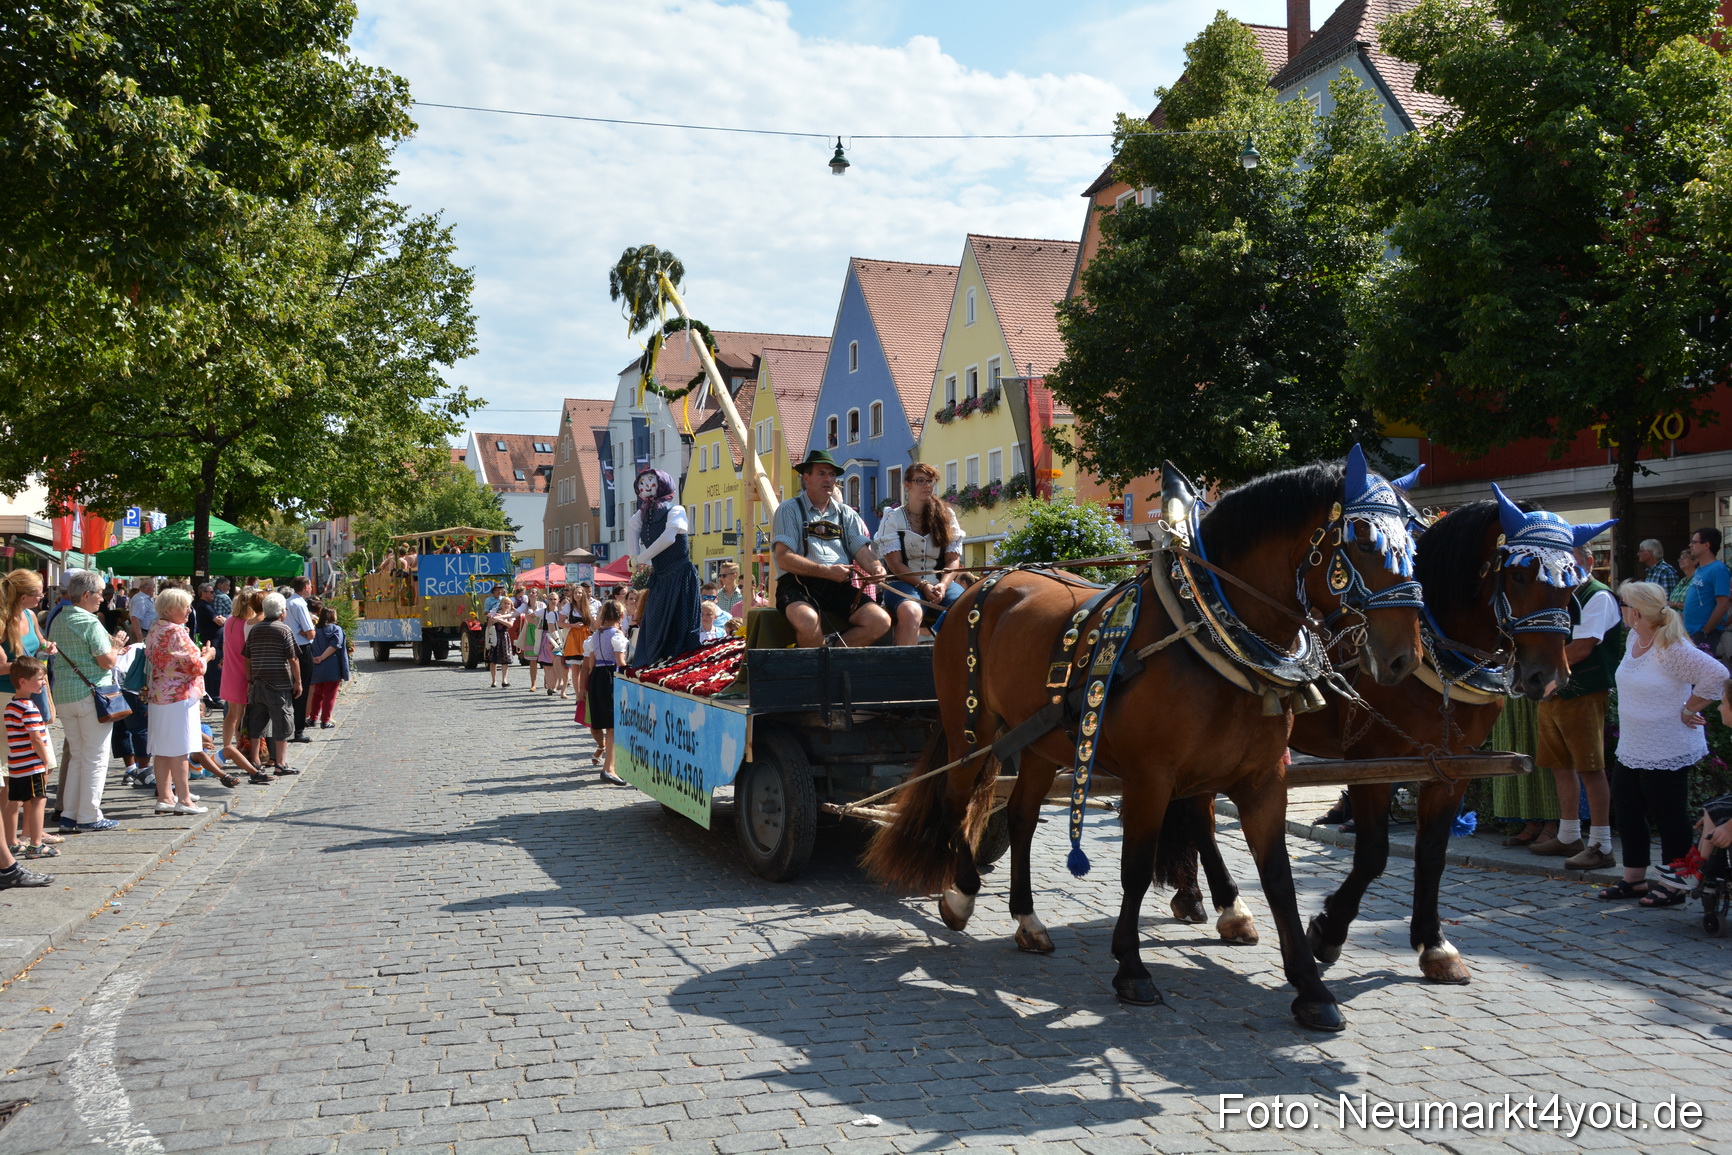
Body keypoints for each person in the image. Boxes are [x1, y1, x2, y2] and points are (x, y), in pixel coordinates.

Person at [1596, 581, 1729, 906]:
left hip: (1667, 744)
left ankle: (1675, 884)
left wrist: (1690, 707)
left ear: (1637, 611)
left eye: (1623, 604)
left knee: (1669, 813)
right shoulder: (1633, 637)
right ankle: (1634, 879)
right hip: (1633, 743)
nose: (1620, 609)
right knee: (1628, 808)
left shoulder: (1671, 648)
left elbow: (1717, 674)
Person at [1531, 542, 1620, 869]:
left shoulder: (1598, 594)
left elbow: (1583, 647)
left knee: (1590, 767)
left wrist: (1541, 672)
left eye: (1570, 561)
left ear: (1590, 561)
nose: (1563, 567)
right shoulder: (1562, 593)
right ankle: (1569, 834)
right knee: (1560, 764)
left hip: (1583, 691)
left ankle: (1602, 845)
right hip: (1555, 689)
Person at [771, 449, 890, 648]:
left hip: (839, 586)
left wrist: (876, 568)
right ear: (806, 478)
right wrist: (826, 571)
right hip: (797, 585)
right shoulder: (788, 509)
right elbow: (784, 558)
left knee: (880, 621)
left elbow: (861, 550)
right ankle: (816, 671)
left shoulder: (847, 514)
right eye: (821, 473)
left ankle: (831, 656)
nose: (828, 479)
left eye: (832, 474)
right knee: (808, 622)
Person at [47, 570, 128, 834]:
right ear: (85, 595)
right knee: (94, 758)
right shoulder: (89, 621)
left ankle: (70, 814)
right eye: (100, 594)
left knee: (79, 756)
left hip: (65, 693)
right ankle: (89, 814)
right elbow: (106, 661)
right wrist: (115, 648)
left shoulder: (58, 618)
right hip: (91, 694)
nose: (103, 600)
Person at [875, 461, 966, 646]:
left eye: (930, 481)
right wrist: (923, 585)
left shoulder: (946, 515)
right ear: (907, 485)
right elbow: (896, 565)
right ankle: (904, 669)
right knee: (911, 612)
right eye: (921, 481)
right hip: (901, 583)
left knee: (966, 607)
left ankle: (955, 666)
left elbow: (952, 559)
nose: (927, 485)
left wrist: (943, 584)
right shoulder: (892, 518)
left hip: (941, 584)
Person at [143, 587, 214, 815]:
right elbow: (196, 666)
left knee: (162, 749)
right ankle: (184, 799)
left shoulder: (156, 627)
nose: (189, 610)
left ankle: (165, 796)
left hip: (159, 695)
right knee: (180, 749)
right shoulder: (176, 631)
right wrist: (207, 656)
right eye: (185, 606)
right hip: (178, 695)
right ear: (171, 608)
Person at [626, 467, 701, 667]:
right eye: (642, 484)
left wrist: (640, 558)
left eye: (651, 482)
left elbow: (668, 538)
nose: (646, 487)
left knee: (680, 623)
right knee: (654, 621)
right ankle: (652, 662)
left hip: (679, 574)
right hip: (660, 577)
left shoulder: (676, 510)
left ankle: (680, 662)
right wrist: (632, 556)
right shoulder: (642, 515)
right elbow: (632, 528)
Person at [242, 593, 301, 775]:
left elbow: (246, 656)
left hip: (258, 683)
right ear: (281, 611)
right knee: (282, 722)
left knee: (257, 724)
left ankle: (255, 761)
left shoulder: (255, 629)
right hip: (278, 684)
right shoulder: (283, 630)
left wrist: (250, 679)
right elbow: (293, 658)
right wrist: (298, 681)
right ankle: (281, 764)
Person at [3, 657, 55, 860]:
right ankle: (35, 844)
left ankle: (12, 842)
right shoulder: (30, 708)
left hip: (16, 764)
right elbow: (36, 739)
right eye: (40, 678)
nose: (43, 682)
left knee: (16, 801)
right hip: (32, 765)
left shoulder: (11, 706)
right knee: (38, 802)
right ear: (24, 681)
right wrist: (45, 761)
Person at [219, 591, 269, 784]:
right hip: (240, 672)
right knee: (238, 715)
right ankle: (230, 749)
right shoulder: (246, 624)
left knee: (232, 714)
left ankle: (233, 746)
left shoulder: (230, 621)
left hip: (230, 671)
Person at [579, 599, 630, 784]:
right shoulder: (617, 635)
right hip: (610, 675)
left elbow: (590, 663)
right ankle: (609, 768)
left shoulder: (595, 636)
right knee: (613, 725)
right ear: (621, 616)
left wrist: (582, 688)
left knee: (607, 723)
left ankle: (611, 766)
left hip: (597, 676)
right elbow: (620, 661)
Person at [284, 576, 316, 743]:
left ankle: (289, 727)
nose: (311, 588)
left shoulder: (287, 602)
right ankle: (298, 729)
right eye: (310, 585)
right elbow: (310, 632)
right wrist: (306, 631)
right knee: (301, 689)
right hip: (302, 649)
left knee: (290, 689)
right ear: (305, 587)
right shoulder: (300, 604)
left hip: (288, 648)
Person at [307, 606, 349, 728]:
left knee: (318, 694)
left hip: (317, 667)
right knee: (330, 695)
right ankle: (325, 720)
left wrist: (314, 657)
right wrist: (322, 657)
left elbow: (308, 644)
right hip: (331, 667)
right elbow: (335, 645)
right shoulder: (336, 629)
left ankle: (313, 718)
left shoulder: (316, 630)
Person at [191, 581, 225, 705]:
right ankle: (214, 698)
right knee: (214, 672)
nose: (213, 594)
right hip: (213, 643)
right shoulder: (205, 605)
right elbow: (219, 621)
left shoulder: (208, 605)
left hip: (215, 642)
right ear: (203, 593)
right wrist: (224, 620)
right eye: (211, 592)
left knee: (214, 671)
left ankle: (213, 696)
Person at [560, 592, 593, 701]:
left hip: (586, 636)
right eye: (575, 593)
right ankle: (578, 695)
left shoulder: (588, 607)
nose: (577, 595)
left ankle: (585, 693)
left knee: (587, 667)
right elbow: (560, 623)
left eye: (579, 592)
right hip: (573, 637)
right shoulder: (568, 607)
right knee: (575, 669)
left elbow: (593, 623)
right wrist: (572, 625)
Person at [483, 584, 516, 687]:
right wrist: (493, 619)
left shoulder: (511, 614)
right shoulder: (494, 609)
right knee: (493, 660)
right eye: (505, 603)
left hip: (505, 637)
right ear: (501, 604)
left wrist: (500, 619)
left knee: (505, 660)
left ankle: (504, 680)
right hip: (495, 636)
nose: (506, 605)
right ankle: (494, 681)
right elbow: (489, 624)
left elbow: (510, 625)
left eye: (508, 604)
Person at [128, 577, 158, 642]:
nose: (153, 591)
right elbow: (135, 618)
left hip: (146, 632)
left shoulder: (143, 598)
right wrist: (140, 637)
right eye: (153, 589)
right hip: (143, 632)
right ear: (149, 589)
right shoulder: (141, 599)